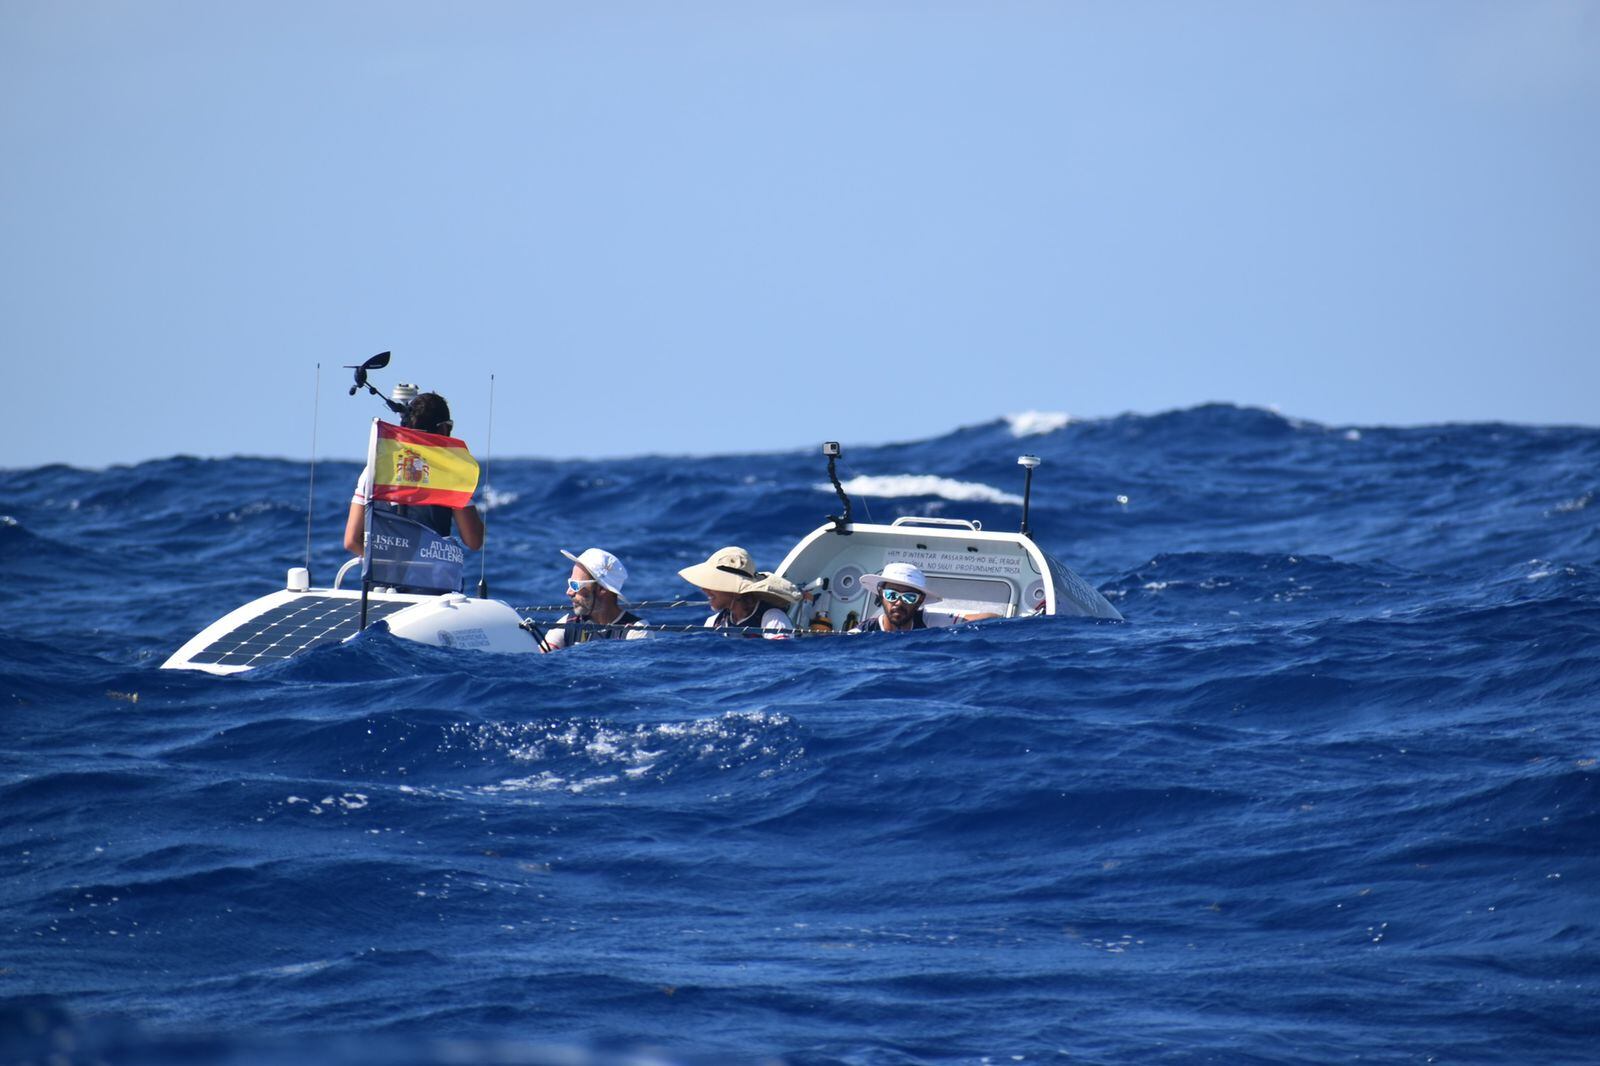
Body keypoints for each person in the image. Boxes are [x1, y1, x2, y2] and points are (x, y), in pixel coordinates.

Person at [343, 391, 485, 555]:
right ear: (443, 429)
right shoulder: (450, 472)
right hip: (432, 578)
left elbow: (351, 541)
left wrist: (386, 565)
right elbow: (474, 541)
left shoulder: (373, 470)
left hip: (382, 578)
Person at [678, 546, 799, 637]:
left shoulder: (772, 618)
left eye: (712, 585)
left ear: (734, 590)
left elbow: (780, 659)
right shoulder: (713, 623)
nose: (704, 589)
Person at [542, 548, 648, 651]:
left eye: (575, 585)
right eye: (570, 583)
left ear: (602, 589)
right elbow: (542, 659)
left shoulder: (637, 632)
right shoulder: (568, 623)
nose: (569, 592)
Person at [849, 562, 998, 633]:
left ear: (920, 601)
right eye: (892, 595)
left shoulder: (930, 621)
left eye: (909, 597)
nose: (898, 602)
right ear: (881, 594)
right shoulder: (863, 631)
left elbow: (992, 618)